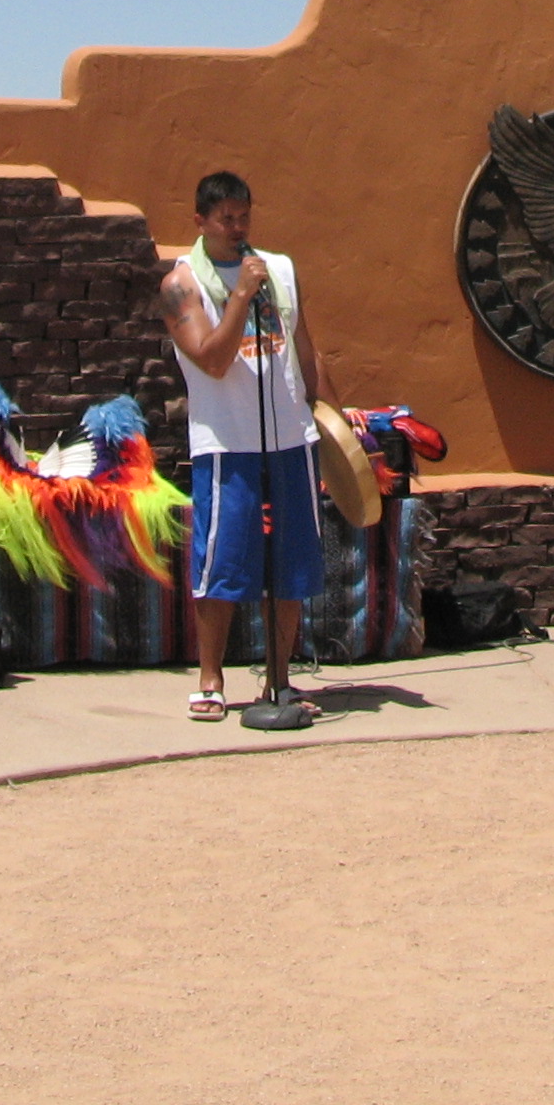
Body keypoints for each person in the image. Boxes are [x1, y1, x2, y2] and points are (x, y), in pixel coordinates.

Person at [160, 170, 342, 722]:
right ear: (201, 221)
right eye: (226, 219)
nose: (238, 228)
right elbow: (212, 361)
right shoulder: (180, 284)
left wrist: (337, 425)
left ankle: (280, 679)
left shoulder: (280, 269)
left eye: (245, 217)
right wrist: (239, 293)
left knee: (292, 563)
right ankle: (211, 678)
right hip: (227, 441)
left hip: (289, 436)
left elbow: (306, 351)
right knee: (223, 561)